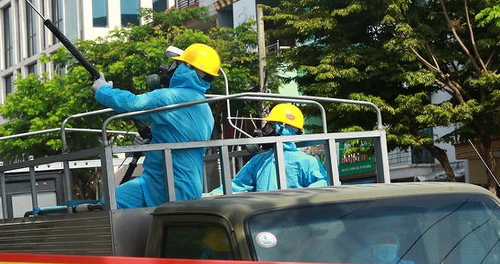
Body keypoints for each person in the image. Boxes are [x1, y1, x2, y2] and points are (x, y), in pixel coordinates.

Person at [93, 43, 220, 208]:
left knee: (109, 206)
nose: (171, 68)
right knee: (110, 202)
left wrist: (103, 90)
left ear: (188, 68)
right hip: (164, 181)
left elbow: (131, 104)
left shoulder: (171, 97)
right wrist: (152, 143)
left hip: (172, 184)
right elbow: (177, 136)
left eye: (177, 64)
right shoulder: (204, 107)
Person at [211, 103, 328, 194]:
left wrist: (300, 197)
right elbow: (236, 186)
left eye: (269, 127)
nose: (265, 132)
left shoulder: (306, 162)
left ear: (283, 129)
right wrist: (210, 196)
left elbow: (324, 184)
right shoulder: (258, 161)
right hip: (265, 215)